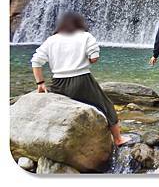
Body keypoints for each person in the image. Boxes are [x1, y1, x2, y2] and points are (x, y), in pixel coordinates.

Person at [30, 12, 130, 146]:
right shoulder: (86, 36)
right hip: (83, 81)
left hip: (58, 83)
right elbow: (94, 58)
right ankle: (118, 139)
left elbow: (36, 61)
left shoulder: (51, 40)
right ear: (80, 23)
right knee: (107, 107)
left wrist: (40, 83)